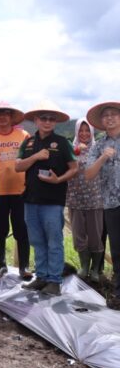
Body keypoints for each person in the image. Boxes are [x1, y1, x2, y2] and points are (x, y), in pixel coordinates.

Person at [16, 100, 77, 296]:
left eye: (52, 119)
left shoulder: (62, 142)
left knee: (54, 241)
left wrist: (58, 180)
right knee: (36, 240)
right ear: (36, 120)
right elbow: (18, 166)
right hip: (30, 200)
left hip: (53, 201)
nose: (47, 121)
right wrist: (35, 157)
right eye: (43, 118)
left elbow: (74, 168)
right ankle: (41, 276)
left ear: (56, 122)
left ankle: (54, 281)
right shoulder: (29, 142)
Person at [0, 101, 32, 281]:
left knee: (22, 230)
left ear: (11, 117)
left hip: (21, 192)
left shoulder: (23, 135)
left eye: (6, 114)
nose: (2, 117)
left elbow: (31, 159)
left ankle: (24, 266)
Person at [85, 101, 120, 303]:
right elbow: (88, 174)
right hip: (111, 204)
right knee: (117, 249)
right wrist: (102, 158)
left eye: (113, 114)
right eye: (105, 115)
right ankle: (118, 292)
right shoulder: (98, 145)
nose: (109, 118)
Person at [66, 118, 104, 282]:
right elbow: (62, 166)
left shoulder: (99, 148)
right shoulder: (70, 148)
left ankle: (95, 269)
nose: (84, 134)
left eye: (87, 130)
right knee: (79, 235)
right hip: (74, 198)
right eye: (80, 131)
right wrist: (75, 151)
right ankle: (84, 267)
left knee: (95, 235)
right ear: (76, 132)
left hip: (95, 199)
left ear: (92, 132)